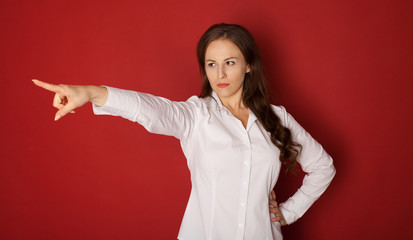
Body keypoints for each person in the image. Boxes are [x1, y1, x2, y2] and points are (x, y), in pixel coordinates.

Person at [33, 23, 335, 240]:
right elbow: (151, 110)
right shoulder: (196, 115)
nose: (220, 74)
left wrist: (289, 212)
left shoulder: (277, 119)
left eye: (230, 63)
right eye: (211, 64)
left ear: (248, 66)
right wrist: (92, 93)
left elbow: (323, 167)